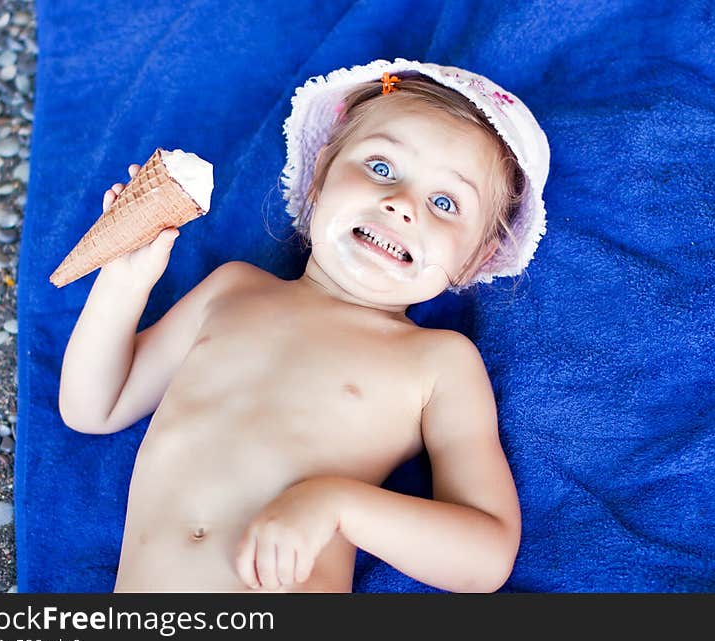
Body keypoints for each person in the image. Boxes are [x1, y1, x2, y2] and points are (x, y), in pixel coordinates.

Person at [58, 58, 551, 592]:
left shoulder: (438, 361)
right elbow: (94, 408)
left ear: (476, 262)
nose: (402, 206)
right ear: (319, 177)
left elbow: (484, 557)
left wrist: (338, 506)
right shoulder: (233, 291)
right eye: (382, 167)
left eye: (444, 202)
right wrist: (124, 282)